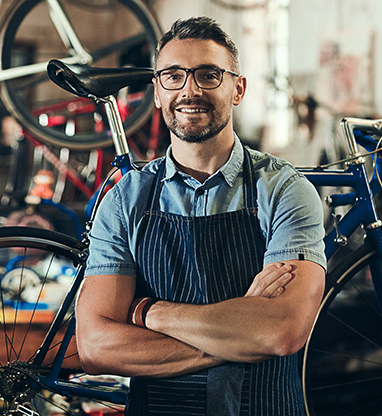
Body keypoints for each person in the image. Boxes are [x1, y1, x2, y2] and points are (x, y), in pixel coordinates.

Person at [75, 16, 326, 415]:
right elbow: (96, 346)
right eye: (173, 76)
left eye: (209, 75)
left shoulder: (284, 191)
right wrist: (240, 337)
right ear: (157, 92)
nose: (190, 90)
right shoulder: (125, 201)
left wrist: (148, 312)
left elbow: (280, 332)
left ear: (238, 88)